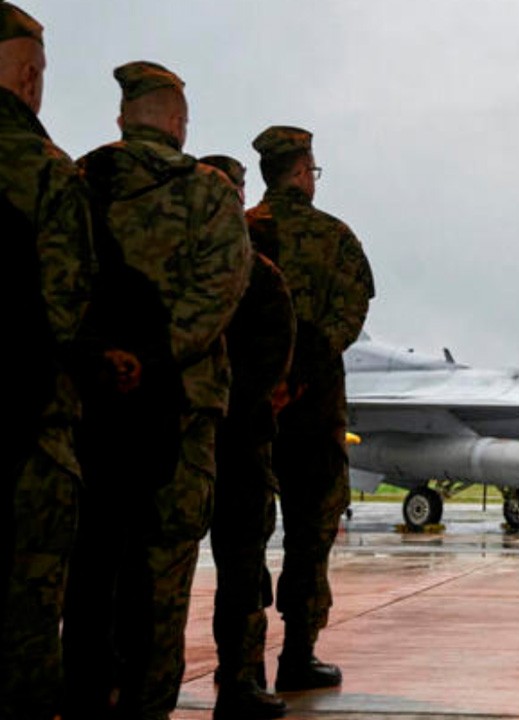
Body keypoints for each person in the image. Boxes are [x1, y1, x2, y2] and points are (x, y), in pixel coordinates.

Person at [62, 61, 251, 720]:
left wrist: (98, 360)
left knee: (84, 574)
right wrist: (153, 359)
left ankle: (84, 699)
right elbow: (221, 292)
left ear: (122, 115)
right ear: (177, 120)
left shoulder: (77, 181)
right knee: (163, 575)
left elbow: (54, 285)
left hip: (81, 410)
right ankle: (146, 708)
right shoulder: (208, 192)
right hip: (177, 415)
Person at [247, 125, 374, 691]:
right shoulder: (336, 237)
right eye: (312, 170)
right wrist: (306, 366)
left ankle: (242, 663)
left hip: (248, 407)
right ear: (302, 173)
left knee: (243, 530)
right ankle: (297, 654)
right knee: (309, 532)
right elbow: (351, 315)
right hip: (314, 410)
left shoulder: (241, 231)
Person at [0, 4, 94, 717]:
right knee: (28, 617)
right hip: (29, 428)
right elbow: (69, 310)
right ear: (30, 76)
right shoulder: (46, 170)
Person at [199, 154, 294, 719]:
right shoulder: (256, 272)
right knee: (241, 566)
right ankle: (240, 681)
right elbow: (272, 359)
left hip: (175, 435)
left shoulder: (163, 260)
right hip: (235, 440)